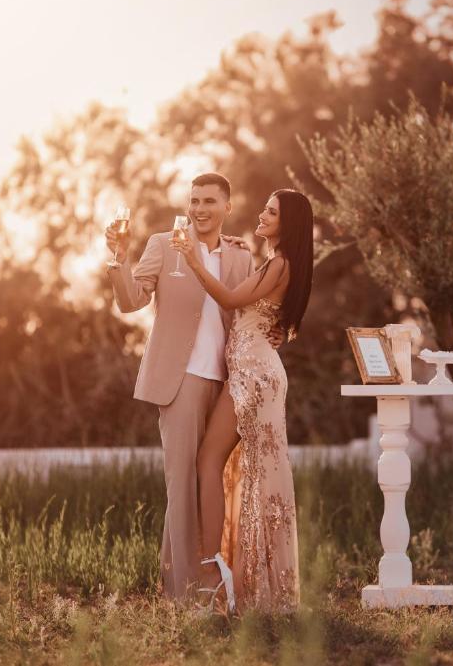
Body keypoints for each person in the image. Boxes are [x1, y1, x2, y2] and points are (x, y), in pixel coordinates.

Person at [105, 172, 254, 601]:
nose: (200, 209)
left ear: (228, 206)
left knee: (211, 481)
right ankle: (189, 591)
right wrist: (119, 256)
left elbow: (249, 314)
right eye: (194, 201)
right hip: (180, 378)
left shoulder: (241, 257)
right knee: (182, 483)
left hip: (226, 384)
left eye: (209, 201)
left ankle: (190, 584)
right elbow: (131, 301)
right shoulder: (162, 245)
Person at [170, 188, 314, 613]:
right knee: (247, 471)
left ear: (287, 224)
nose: (262, 214)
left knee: (210, 462)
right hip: (252, 372)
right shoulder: (277, 263)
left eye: (271, 211)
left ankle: (213, 572)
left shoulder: (283, 263)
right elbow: (265, 312)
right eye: (265, 208)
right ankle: (236, 575)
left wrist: (193, 259)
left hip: (253, 377)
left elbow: (232, 300)